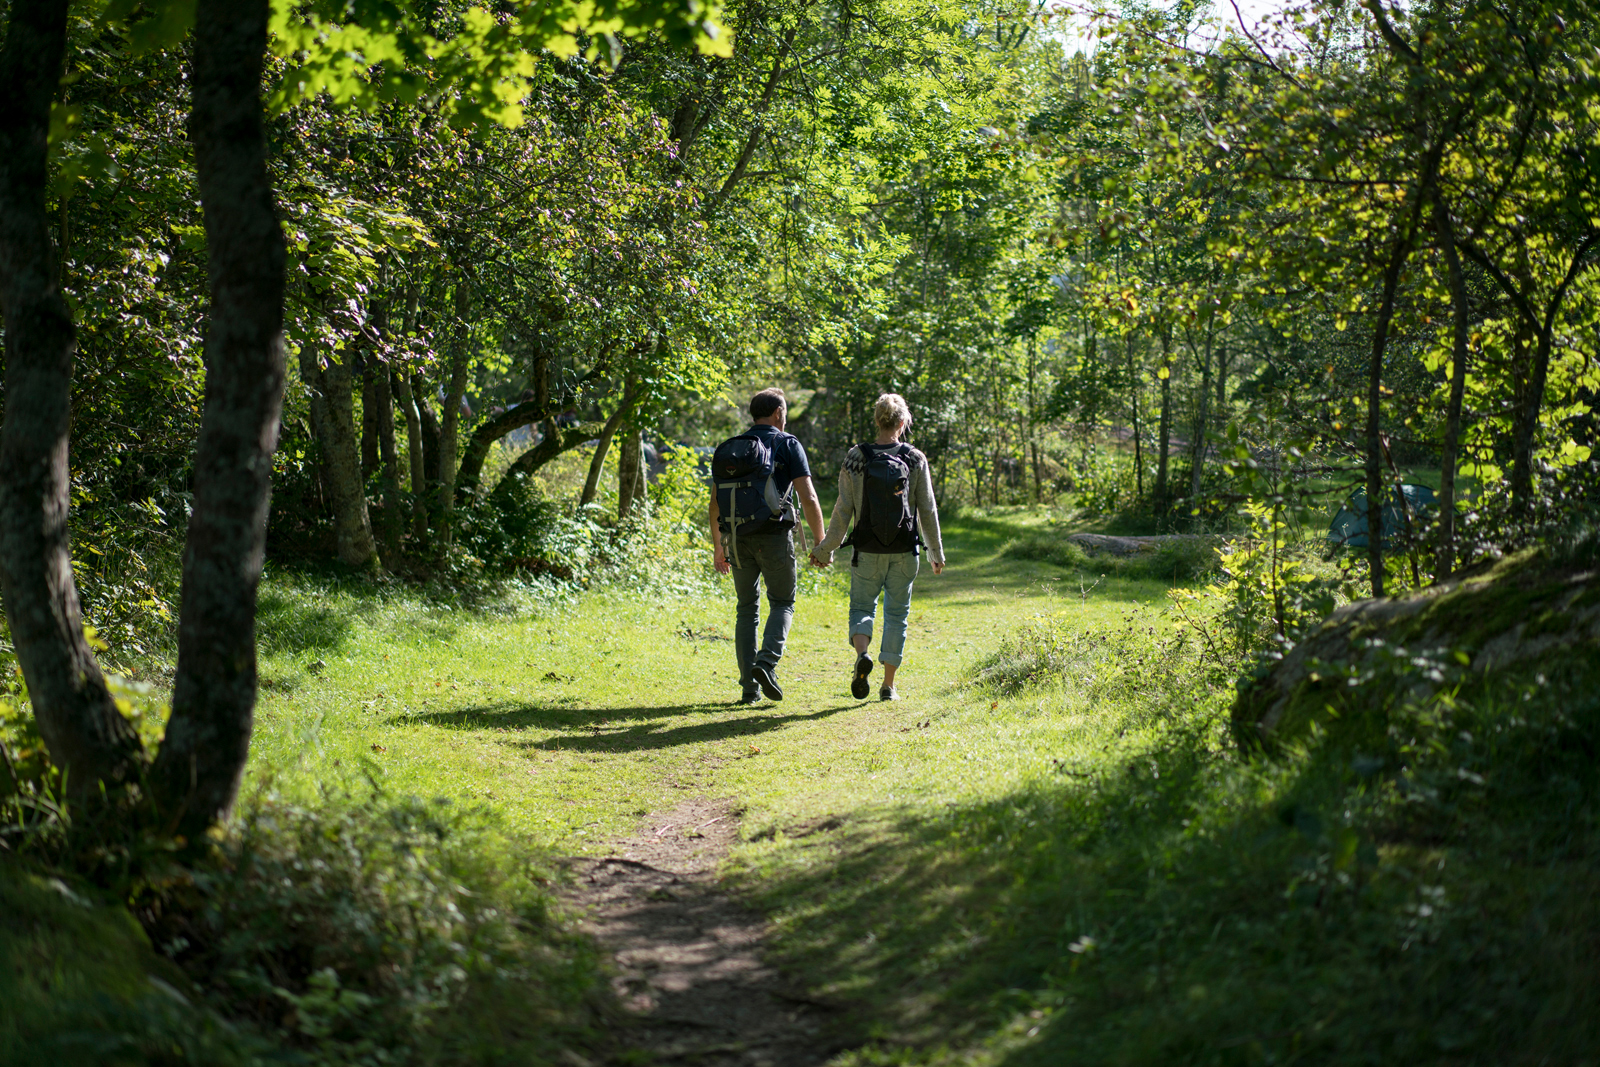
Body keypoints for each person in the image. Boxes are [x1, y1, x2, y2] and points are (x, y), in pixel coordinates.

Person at [810, 393, 945, 701]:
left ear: (877, 420)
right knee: (897, 615)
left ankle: (862, 655)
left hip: (867, 551)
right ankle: (888, 687)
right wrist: (935, 553)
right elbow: (927, 509)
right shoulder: (915, 458)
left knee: (861, 608)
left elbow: (843, 509)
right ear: (903, 422)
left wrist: (825, 549)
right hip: (904, 551)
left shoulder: (856, 457)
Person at [709, 389, 826, 705]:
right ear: (777, 413)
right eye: (784, 411)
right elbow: (808, 496)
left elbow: (715, 504)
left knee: (746, 609)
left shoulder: (733, 448)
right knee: (783, 602)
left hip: (736, 538)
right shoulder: (787, 444)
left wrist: (719, 547)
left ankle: (749, 689)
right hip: (773, 537)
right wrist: (821, 541)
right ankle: (767, 662)